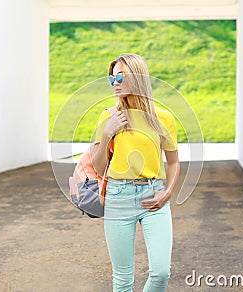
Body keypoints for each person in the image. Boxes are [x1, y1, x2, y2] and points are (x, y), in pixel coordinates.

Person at [92, 54, 180, 292]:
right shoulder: (108, 116)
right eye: (112, 78)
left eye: (121, 76)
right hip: (118, 197)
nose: (115, 83)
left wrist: (167, 193)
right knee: (122, 279)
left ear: (138, 77)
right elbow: (99, 167)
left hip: (154, 196)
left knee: (161, 273)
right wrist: (107, 134)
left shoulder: (163, 118)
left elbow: (173, 162)